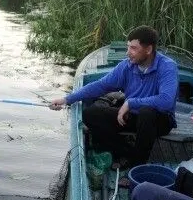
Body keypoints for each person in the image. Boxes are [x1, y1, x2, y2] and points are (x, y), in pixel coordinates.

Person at [49, 25, 179, 166]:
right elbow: (100, 86)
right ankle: (129, 153)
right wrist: (66, 99)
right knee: (90, 114)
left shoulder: (167, 67)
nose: (128, 53)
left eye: (133, 48)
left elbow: (166, 101)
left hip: (159, 121)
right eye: (128, 47)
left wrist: (130, 103)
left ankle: (137, 163)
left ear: (148, 50)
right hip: (130, 116)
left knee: (146, 113)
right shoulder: (126, 66)